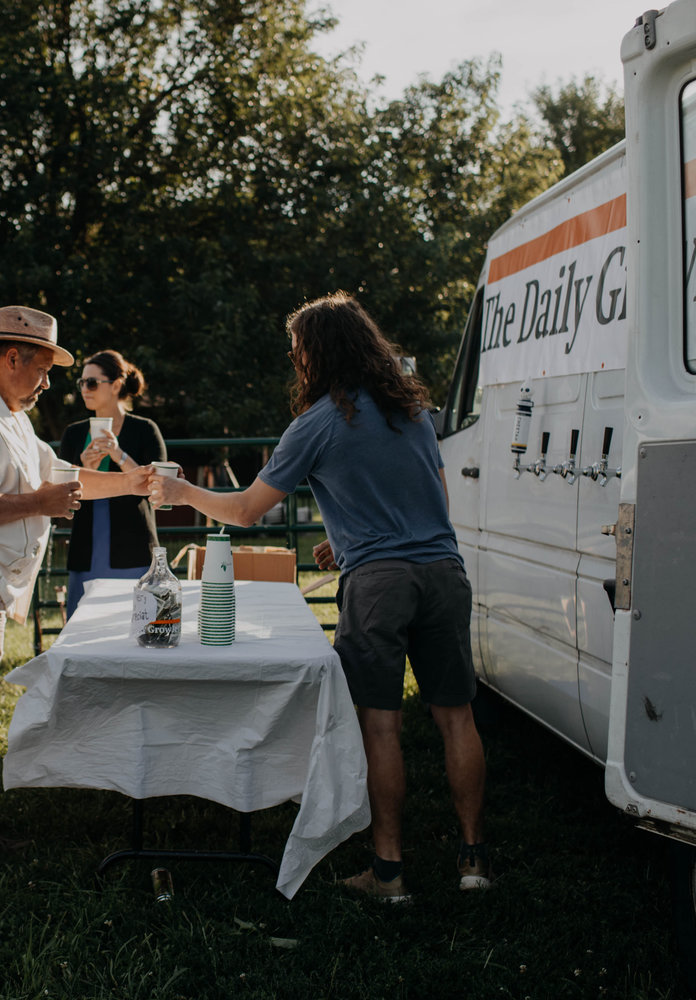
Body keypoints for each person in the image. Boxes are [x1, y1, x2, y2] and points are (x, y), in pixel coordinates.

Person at [148, 292, 489, 902]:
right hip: (443, 571)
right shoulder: (411, 411)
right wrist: (352, 538)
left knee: (380, 727)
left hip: (380, 587)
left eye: (298, 348)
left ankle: (389, 875)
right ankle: (472, 863)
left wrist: (182, 491)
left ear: (316, 354)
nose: (294, 358)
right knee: (456, 716)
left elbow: (248, 510)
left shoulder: (318, 422)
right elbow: (431, 494)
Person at [0, 306, 152, 858]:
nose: (50, 383)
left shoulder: (9, 414)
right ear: (11, 356)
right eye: (44, 369)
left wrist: (134, 483)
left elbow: (65, 480)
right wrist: (42, 504)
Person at [57, 349, 166, 619]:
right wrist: (84, 470)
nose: (85, 389)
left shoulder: (144, 429)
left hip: (133, 546)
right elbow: (58, 492)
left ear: (116, 385)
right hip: (86, 547)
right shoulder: (74, 434)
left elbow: (160, 486)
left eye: (92, 382)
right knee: (82, 624)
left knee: (135, 624)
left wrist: (120, 455)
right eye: (81, 382)